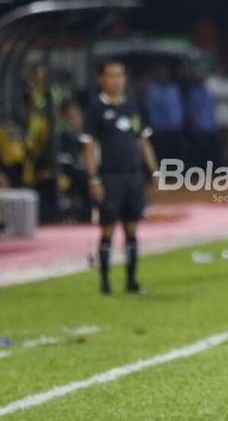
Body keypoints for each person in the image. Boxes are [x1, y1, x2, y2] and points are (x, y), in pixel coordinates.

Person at [81, 60, 158, 295]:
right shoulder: (96, 110)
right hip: (110, 177)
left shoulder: (133, 107)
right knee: (107, 228)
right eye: (111, 75)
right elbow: (90, 147)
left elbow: (143, 142)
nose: (116, 80)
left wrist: (154, 170)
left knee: (132, 227)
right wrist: (93, 178)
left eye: (120, 75)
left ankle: (131, 280)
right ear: (100, 79)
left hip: (133, 176)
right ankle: (105, 282)